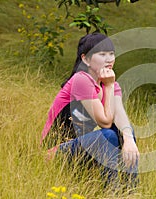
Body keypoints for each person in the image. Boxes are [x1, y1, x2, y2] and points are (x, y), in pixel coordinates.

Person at [40, 32, 139, 190]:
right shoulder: (81, 79)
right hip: (56, 152)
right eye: (102, 54)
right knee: (108, 134)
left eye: (111, 54)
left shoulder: (111, 84)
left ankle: (130, 191)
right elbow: (105, 122)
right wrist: (108, 86)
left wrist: (129, 140)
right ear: (85, 59)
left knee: (123, 131)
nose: (109, 59)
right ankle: (112, 191)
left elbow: (121, 117)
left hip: (83, 147)